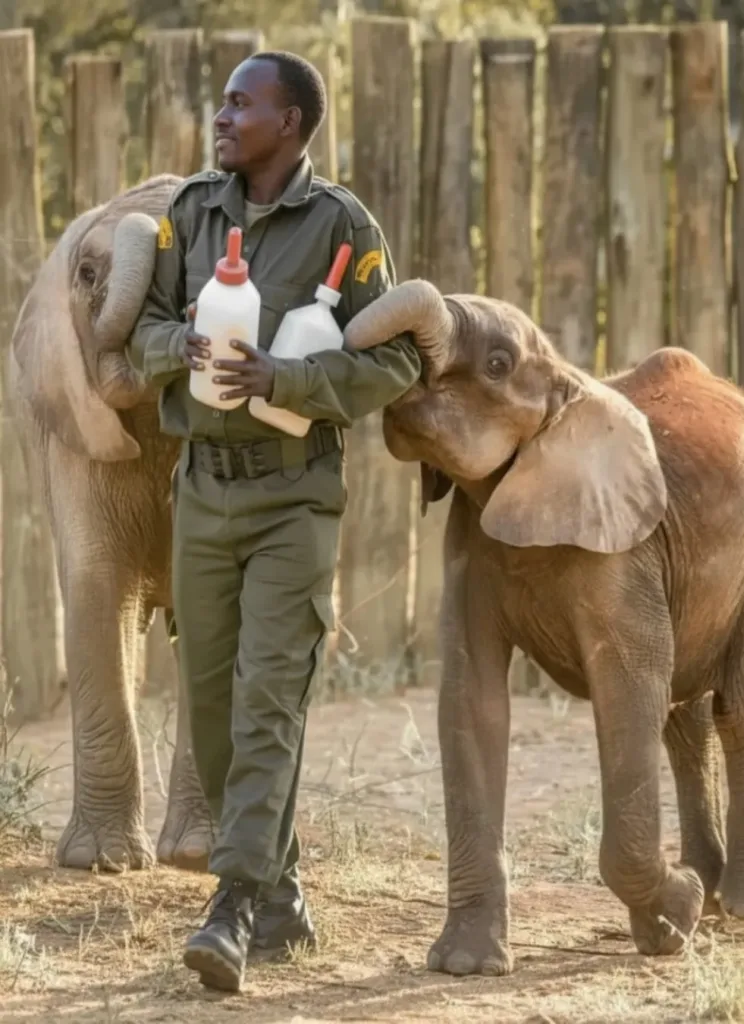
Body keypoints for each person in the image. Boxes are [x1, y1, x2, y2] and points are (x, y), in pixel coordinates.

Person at [128, 51, 421, 993]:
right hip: (202, 491)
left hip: (294, 497)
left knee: (267, 698)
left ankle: (235, 904)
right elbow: (143, 328)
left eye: (239, 104)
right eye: (221, 102)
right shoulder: (189, 213)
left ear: (288, 122)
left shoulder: (343, 225)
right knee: (211, 707)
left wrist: (285, 378)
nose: (220, 116)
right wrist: (182, 344)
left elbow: (396, 361)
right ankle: (282, 894)